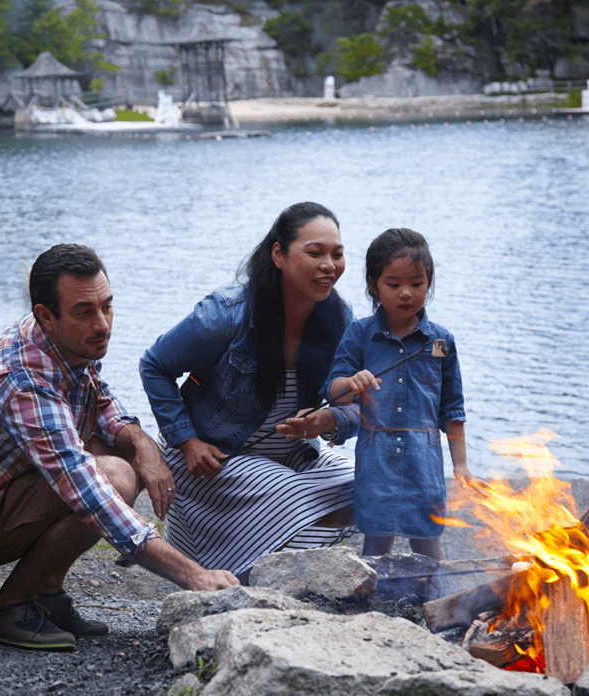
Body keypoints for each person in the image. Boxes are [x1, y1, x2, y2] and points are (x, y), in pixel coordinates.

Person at [0, 244, 237, 651]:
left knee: (120, 452)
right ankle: (10, 608)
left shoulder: (59, 339)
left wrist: (143, 442)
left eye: (107, 306)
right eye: (85, 311)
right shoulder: (24, 381)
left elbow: (99, 400)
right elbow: (87, 491)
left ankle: (47, 596)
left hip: (6, 495)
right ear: (45, 315)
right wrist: (192, 574)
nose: (102, 324)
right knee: (114, 477)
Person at [139, 202, 358, 581]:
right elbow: (154, 365)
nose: (329, 265)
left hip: (292, 457)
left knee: (369, 483)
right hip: (216, 458)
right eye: (315, 253)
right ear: (278, 254)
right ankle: (235, 572)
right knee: (292, 496)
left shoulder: (339, 319)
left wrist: (330, 420)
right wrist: (187, 441)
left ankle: (250, 567)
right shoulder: (226, 313)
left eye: (337, 254)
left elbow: (354, 406)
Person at [324, 228, 484, 561]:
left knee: (427, 542)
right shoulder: (360, 333)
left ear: (429, 284)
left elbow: (452, 408)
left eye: (417, 283)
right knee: (375, 544)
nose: (406, 294)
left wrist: (462, 465)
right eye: (393, 285)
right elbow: (334, 391)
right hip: (375, 459)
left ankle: (434, 601)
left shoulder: (440, 343)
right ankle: (366, 601)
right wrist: (352, 381)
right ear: (373, 285)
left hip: (423, 460)